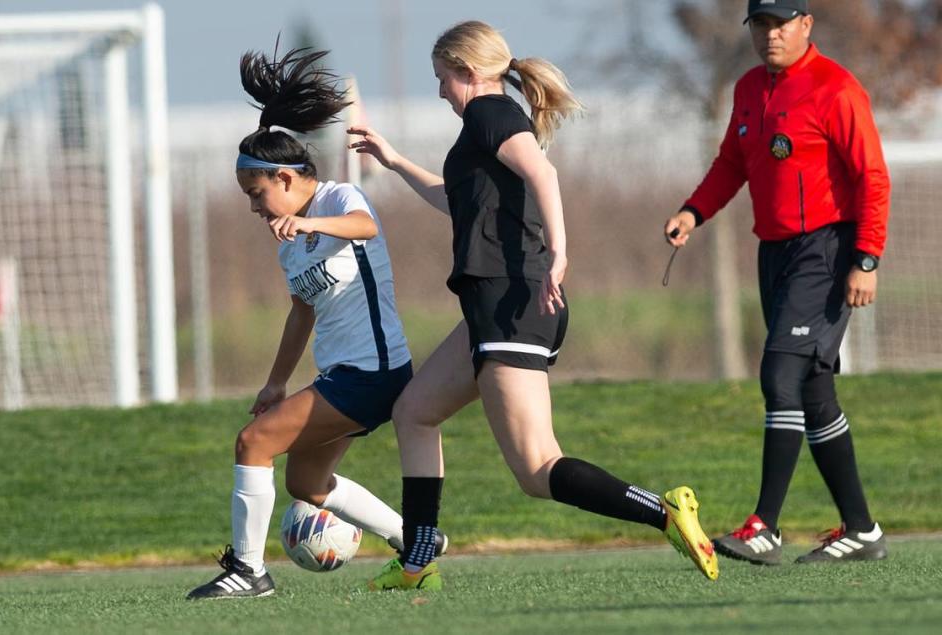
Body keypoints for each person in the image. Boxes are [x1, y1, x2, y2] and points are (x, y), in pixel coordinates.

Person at [349, 20, 719, 591]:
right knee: (414, 412)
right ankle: (418, 560)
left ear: (468, 74)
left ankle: (664, 512)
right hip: (493, 308)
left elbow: (543, 172)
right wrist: (394, 161)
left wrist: (560, 252)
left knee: (538, 469)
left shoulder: (488, 113)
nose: (440, 91)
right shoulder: (484, 125)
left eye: (442, 79)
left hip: (512, 303)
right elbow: (457, 202)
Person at [187, 47, 445, 600]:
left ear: (284, 177)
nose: (255, 207)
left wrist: (305, 220)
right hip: (342, 375)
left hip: (373, 373)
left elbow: (364, 228)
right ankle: (418, 541)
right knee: (305, 484)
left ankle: (248, 571)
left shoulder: (338, 198)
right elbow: (301, 310)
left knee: (252, 442)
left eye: (257, 194)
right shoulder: (288, 243)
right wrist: (277, 381)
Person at [665, 0, 890, 565]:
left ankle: (765, 526)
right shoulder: (747, 89)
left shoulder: (836, 89)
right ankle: (862, 530)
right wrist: (694, 212)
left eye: (781, 24)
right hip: (776, 254)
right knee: (812, 391)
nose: (771, 35)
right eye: (761, 24)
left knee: (779, 373)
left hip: (828, 250)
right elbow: (731, 164)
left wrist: (866, 259)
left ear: (806, 25)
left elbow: (872, 176)